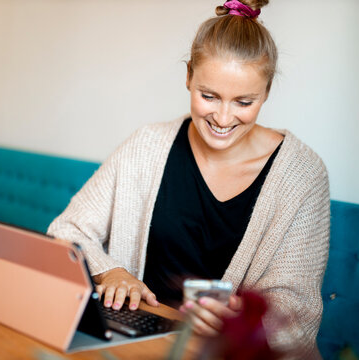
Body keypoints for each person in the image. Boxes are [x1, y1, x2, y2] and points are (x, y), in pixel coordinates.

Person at [48, 0, 330, 357]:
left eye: (244, 102)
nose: (224, 119)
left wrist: (240, 319)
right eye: (209, 96)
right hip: (138, 344)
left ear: (267, 92)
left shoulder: (302, 175)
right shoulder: (146, 146)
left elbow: (298, 316)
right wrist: (111, 271)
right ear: (188, 77)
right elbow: (67, 230)